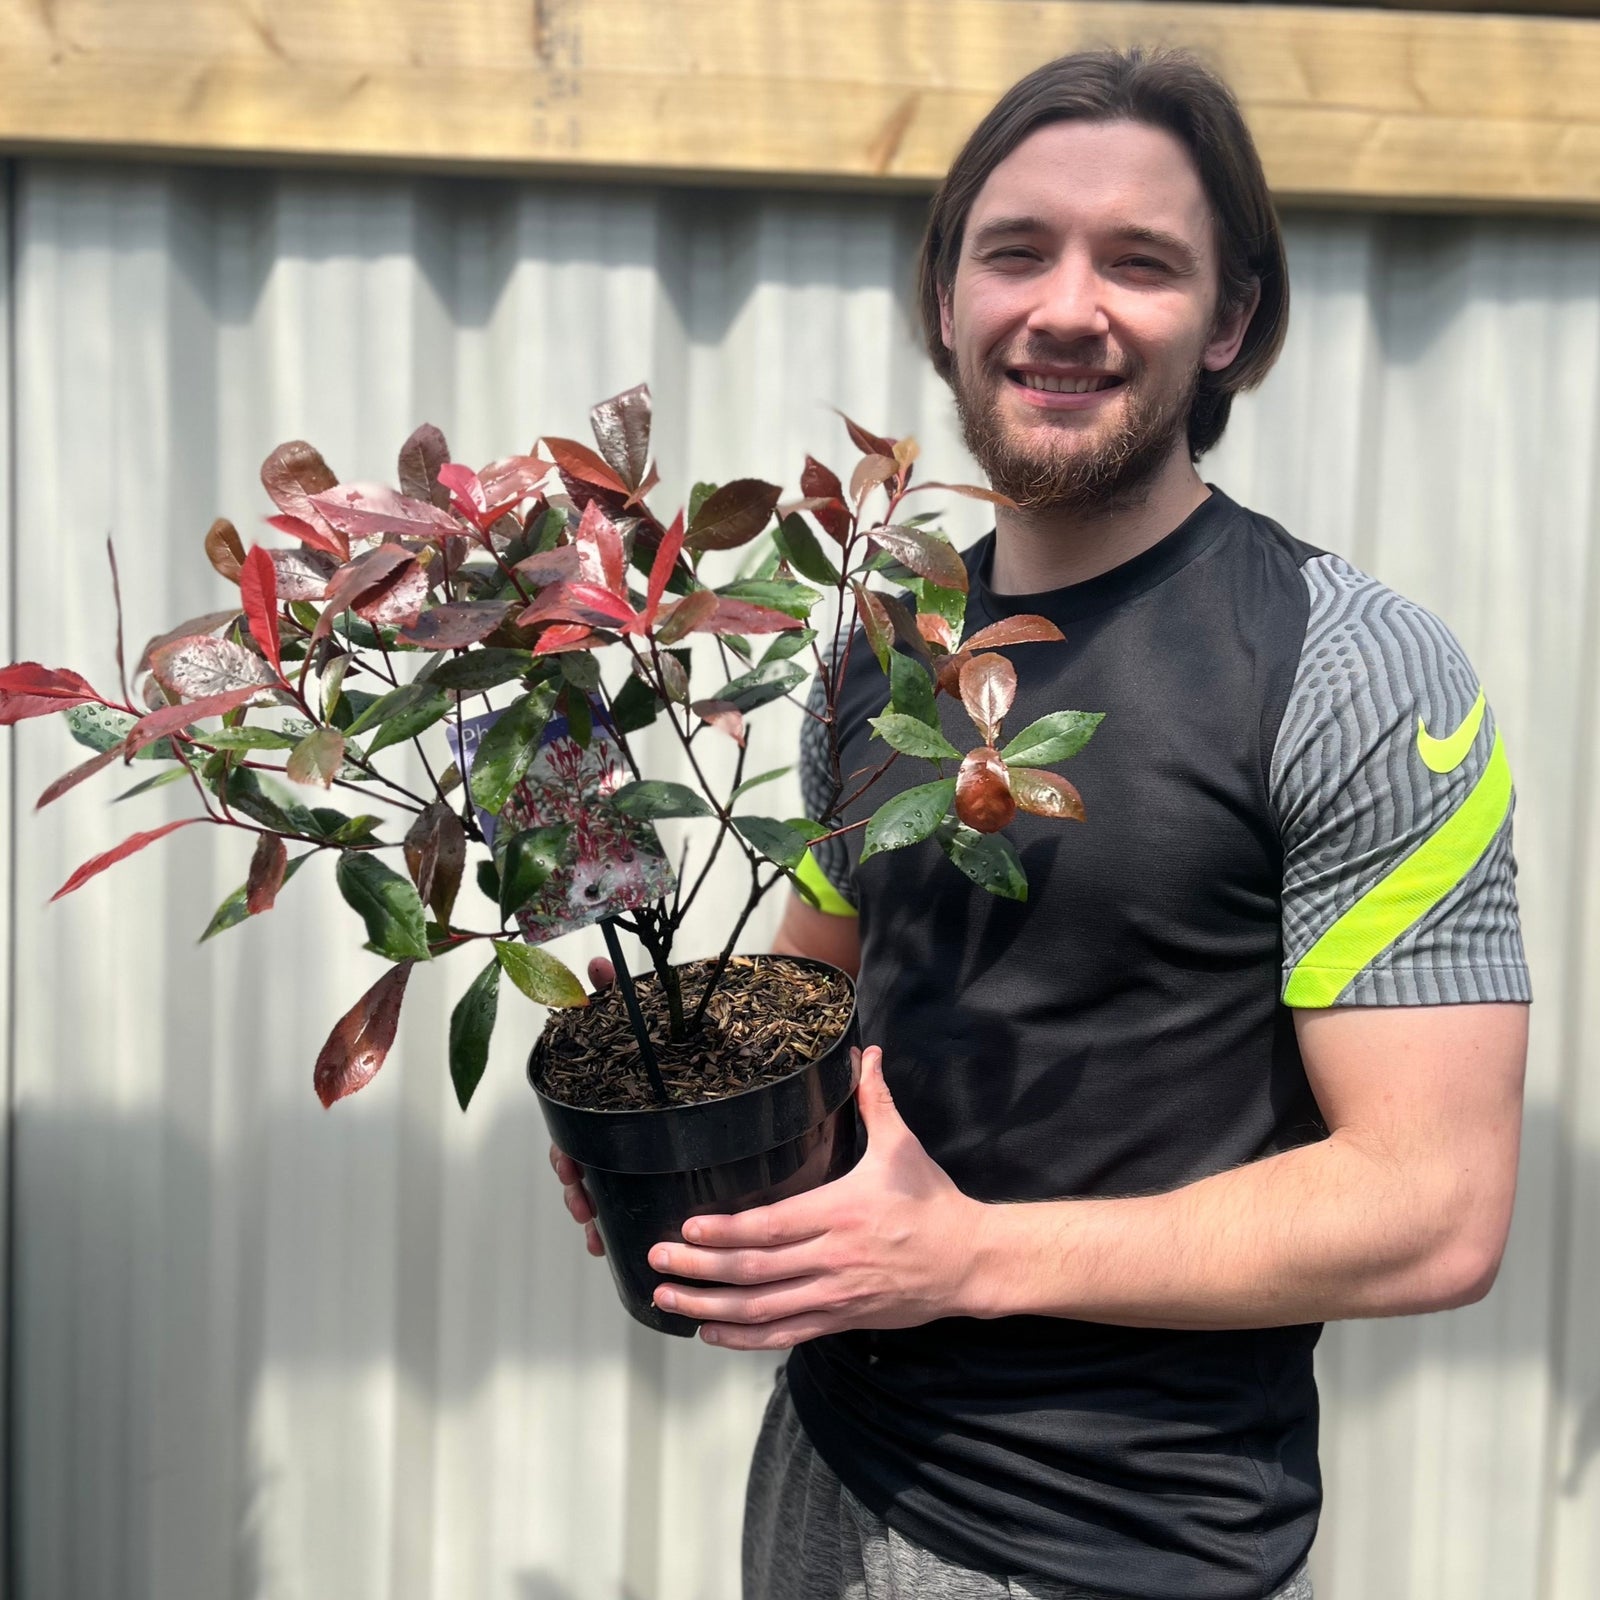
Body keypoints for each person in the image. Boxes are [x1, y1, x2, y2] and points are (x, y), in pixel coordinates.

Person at [551, 46, 1531, 1600]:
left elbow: (1435, 1207)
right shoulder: (888, 637)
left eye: (1139, 262)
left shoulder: (1346, 667)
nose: (1066, 306)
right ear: (948, 300)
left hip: (1109, 1542)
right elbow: (825, 983)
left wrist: (969, 1259)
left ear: (1231, 324)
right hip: (831, 1460)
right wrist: (695, 1104)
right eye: (1017, 250)